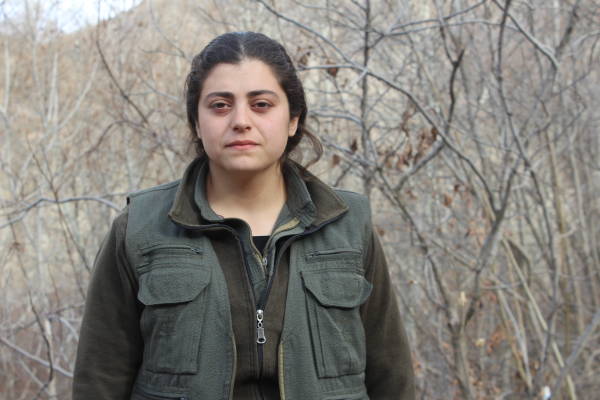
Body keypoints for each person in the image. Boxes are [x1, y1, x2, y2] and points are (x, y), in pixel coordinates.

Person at [72, 31, 415, 400]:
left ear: (293, 119)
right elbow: (99, 379)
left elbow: (391, 374)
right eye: (220, 105)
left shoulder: (347, 225)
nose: (240, 120)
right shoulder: (140, 228)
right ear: (196, 122)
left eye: (261, 104)